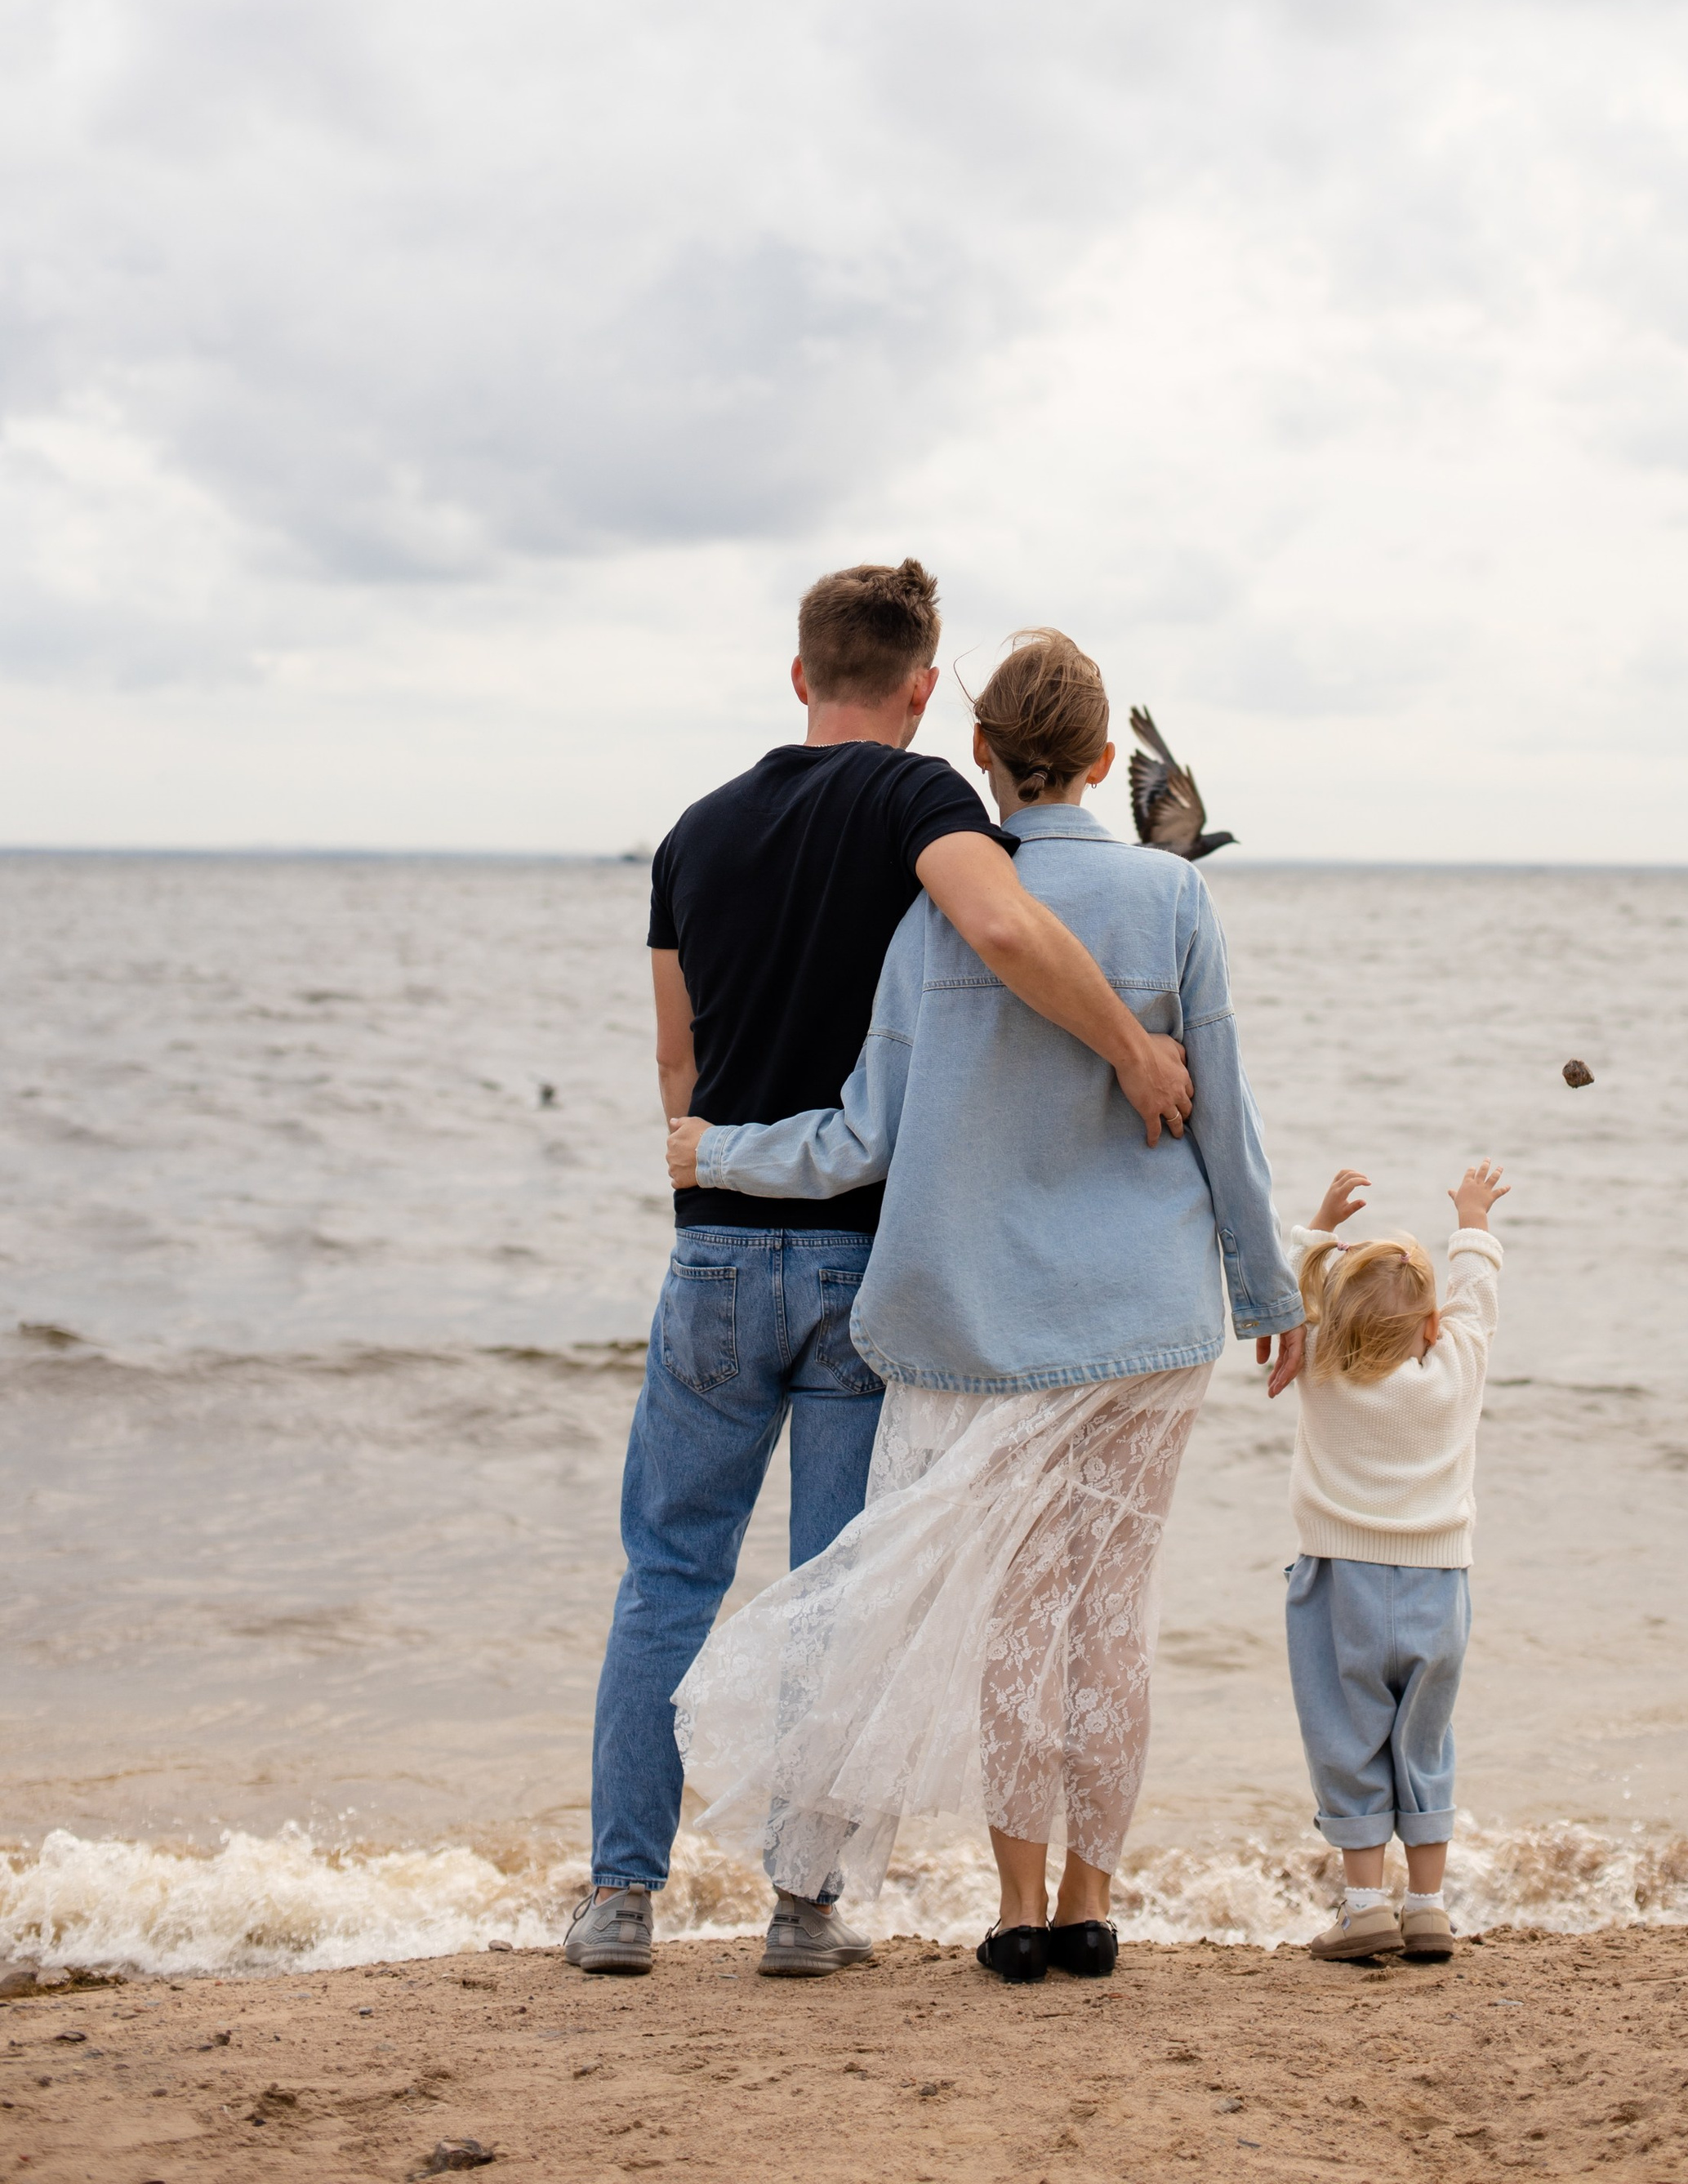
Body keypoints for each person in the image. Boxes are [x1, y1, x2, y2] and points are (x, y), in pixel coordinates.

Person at [568, 565, 1195, 1980]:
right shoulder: (921, 807)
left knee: (666, 1574)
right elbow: (1009, 929)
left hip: (716, 1250)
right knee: (835, 1587)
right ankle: (803, 1908)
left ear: (800, 676)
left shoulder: (690, 836)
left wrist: (711, 1161)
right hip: (865, 1267)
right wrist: (1132, 1052)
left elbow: (679, 1070)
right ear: (923, 691)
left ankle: (619, 1899)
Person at [666, 628, 1304, 1984]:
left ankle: (1017, 1919)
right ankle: (1091, 1907)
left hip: (996, 1332)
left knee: (1023, 1619)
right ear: (1100, 762)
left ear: (983, 759)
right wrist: (1269, 1291)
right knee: (1111, 1620)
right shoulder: (1174, 899)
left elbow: (858, 1140)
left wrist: (718, 1151)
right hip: (1149, 1324)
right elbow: (1225, 1114)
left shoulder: (934, 913)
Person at [1274, 1154, 1509, 1965]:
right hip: (1439, 1585)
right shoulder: (1458, 1366)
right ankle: (1430, 1907)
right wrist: (1471, 1219)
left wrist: (1322, 1223)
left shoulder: (1319, 1364)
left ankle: (1365, 1905)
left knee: (1347, 1739)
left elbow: (1288, 1282)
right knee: (1424, 1742)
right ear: (1432, 1328)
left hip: (1339, 1579)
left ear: (1333, 1323)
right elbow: (1476, 1293)